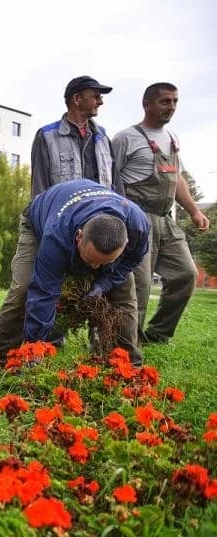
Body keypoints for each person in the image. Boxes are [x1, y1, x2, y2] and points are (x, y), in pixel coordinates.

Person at [0, 179, 150, 375]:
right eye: (89, 259)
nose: (94, 267)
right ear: (79, 237)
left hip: (86, 211)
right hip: (38, 221)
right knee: (23, 289)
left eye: (104, 262)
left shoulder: (138, 227)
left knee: (124, 298)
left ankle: (128, 368)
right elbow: (44, 293)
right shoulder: (56, 237)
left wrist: (103, 283)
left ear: (125, 244)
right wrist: (35, 348)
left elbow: (132, 260)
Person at [111, 82, 211, 344]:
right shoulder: (125, 138)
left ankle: (157, 334)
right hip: (136, 217)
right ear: (147, 104)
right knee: (140, 285)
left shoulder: (172, 139)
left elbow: (176, 179)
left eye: (175, 101)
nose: (172, 107)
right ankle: (126, 341)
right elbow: (110, 179)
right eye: (165, 101)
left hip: (165, 218)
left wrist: (194, 211)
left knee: (186, 275)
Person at [30, 76, 124, 199]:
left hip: (101, 215)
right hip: (65, 216)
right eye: (96, 97)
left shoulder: (103, 138)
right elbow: (39, 189)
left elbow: (116, 184)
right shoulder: (47, 137)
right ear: (77, 99)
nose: (101, 102)